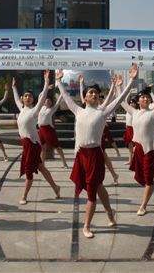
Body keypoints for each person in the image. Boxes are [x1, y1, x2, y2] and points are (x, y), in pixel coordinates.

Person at [56, 65, 137, 238]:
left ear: (99, 99)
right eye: (90, 93)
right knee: (98, 187)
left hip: (95, 156)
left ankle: (86, 226)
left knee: (92, 191)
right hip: (81, 156)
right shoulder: (78, 111)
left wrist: (131, 81)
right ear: (84, 98)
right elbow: (64, 96)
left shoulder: (103, 112)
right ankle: (109, 212)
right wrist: (57, 81)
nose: (93, 94)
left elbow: (120, 97)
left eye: (96, 93)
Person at [118, 71, 154, 216]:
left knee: (149, 180)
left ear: (150, 101)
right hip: (139, 149)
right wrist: (119, 86)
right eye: (142, 97)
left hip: (151, 150)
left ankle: (143, 206)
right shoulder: (134, 112)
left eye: (147, 97)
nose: (145, 99)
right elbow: (120, 101)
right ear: (138, 101)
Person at [12, 71, 61, 205]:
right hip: (26, 146)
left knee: (29, 171)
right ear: (23, 98)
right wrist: (14, 88)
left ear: (33, 99)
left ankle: (24, 196)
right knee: (42, 168)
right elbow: (16, 98)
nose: (27, 98)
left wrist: (45, 83)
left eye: (30, 96)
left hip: (32, 145)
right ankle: (56, 187)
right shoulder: (21, 110)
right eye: (25, 96)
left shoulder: (34, 111)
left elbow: (42, 97)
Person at [37, 89, 69, 168]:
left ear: (51, 103)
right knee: (43, 148)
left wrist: (62, 93)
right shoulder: (40, 107)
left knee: (57, 147)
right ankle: (42, 164)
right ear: (44, 102)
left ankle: (64, 162)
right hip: (41, 130)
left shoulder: (52, 109)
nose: (48, 101)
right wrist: (47, 87)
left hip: (49, 130)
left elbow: (58, 102)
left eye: (49, 101)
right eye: (47, 100)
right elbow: (40, 96)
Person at [122, 98, 138, 165]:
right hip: (128, 128)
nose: (132, 104)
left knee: (135, 146)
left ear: (136, 104)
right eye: (131, 103)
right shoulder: (128, 110)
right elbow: (124, 101)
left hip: (133, 129)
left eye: (133, 103)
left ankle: (136, 161)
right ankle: (130, 160)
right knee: (130, 146)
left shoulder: (136, 111)